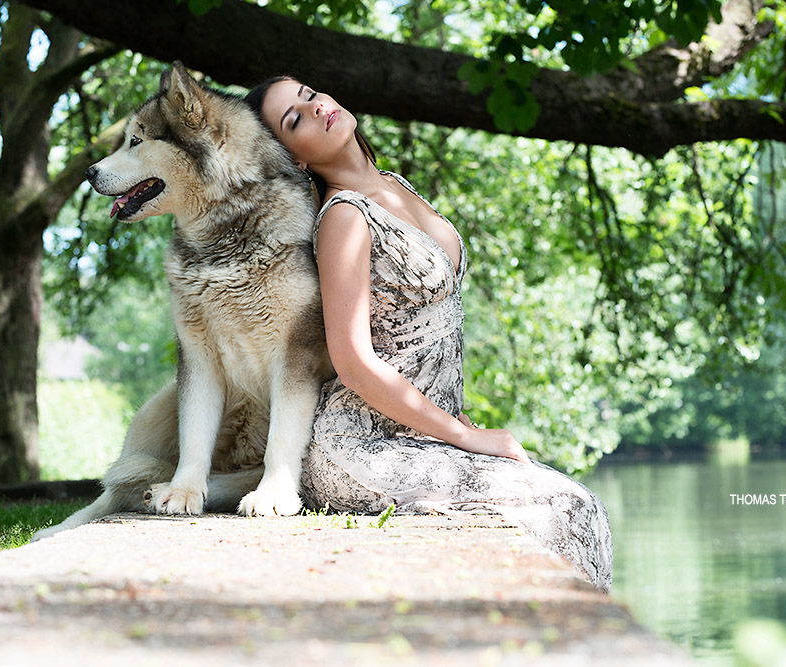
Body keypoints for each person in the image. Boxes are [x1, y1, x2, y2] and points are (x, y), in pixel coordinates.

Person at [246, 77, 613, 591]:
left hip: (425, 431)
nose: (316, 107)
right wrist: (466, 437)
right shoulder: (344, 218)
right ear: (294, 159)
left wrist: (451, 420)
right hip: (363, 444)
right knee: (567, 507)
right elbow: (351, 361)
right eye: (294, 119)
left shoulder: (393, 185)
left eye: (309, 94)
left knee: (569, 507)